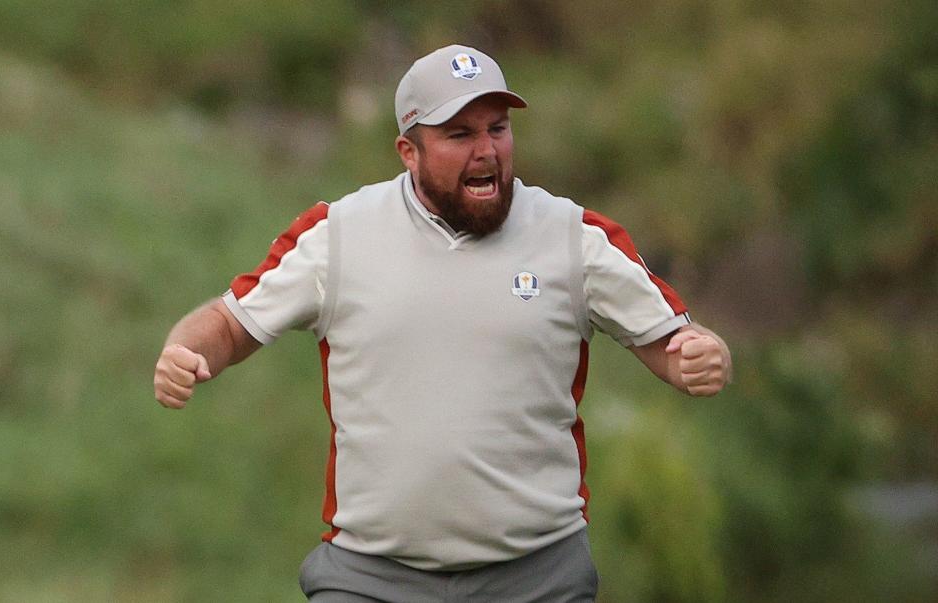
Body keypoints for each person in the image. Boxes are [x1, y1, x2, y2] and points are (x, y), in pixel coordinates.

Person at [154, 44, 732, 602]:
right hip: (369, 577)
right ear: (409, 151)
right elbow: (228, 324)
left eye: (497, 129)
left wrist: (704, 356)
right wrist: (187, 351)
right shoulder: (337, 235)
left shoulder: (574, 237)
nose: (487, 151)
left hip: (537, 578)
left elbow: (676, 343)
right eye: (459, 135)